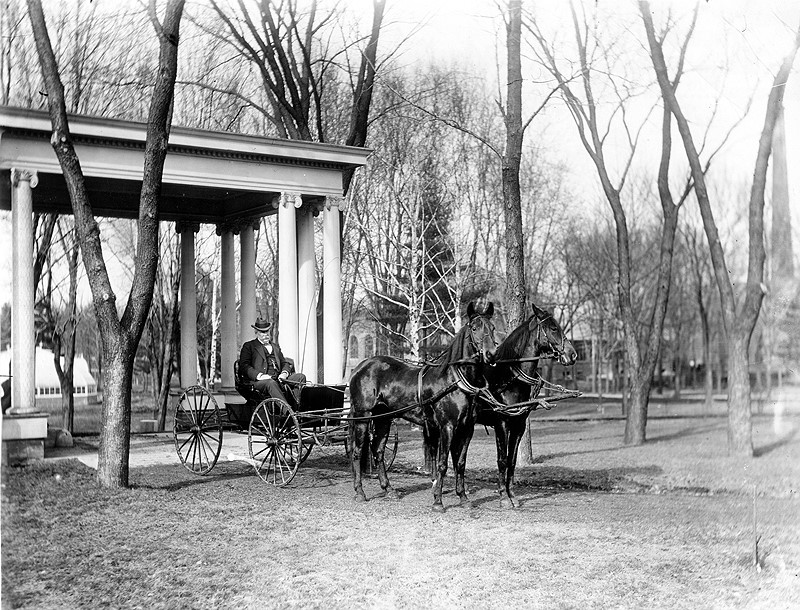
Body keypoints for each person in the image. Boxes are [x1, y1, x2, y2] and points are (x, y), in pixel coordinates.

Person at [238, 317, 306, 404]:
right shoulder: (249, 346)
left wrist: (284, 373)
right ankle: (287, 411)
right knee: (270, 383)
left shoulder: (275, 347)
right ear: (256, 332)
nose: (266, 334)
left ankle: (297, 406)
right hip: (259, 382)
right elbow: (244, 366)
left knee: (300, 377)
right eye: (262, 332)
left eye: (267, 331)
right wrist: (260, 376)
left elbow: (284, 362)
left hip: (278, 379)